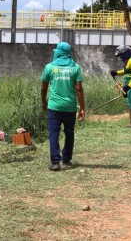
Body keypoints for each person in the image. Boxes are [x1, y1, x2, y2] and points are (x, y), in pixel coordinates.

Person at [41, 42, 85, 171]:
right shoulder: (75, 68)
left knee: (54, 133)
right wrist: (82, 107)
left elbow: (44, 88)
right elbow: (79, 89)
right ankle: (66, 159)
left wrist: (44, 102)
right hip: (70, 107)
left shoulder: (49, 67)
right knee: (69, 133)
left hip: (54, 106)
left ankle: (55, 162)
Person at [110, 45, 131, 128]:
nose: (121, 57)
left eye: (121, 55)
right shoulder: (129, 60)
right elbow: (126, 71)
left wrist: (128, 87)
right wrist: (116, 73)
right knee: (130, 101)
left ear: (126, 53)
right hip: (130, 84)